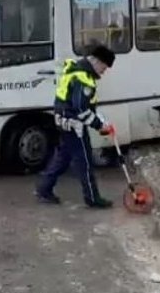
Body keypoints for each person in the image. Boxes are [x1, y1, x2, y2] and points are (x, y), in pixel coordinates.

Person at [35, 45, 116, 209]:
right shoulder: (83, 78)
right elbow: (80, 109)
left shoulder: (75, 71)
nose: (104, 72)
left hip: (64, 122)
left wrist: (100, 120)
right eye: (104, 67)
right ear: (96, 61)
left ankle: (44, 189)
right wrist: (99, 125)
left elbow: (82, 105)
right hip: (74, 126)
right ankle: (92, 198)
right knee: (85, 161)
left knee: (63, 157)